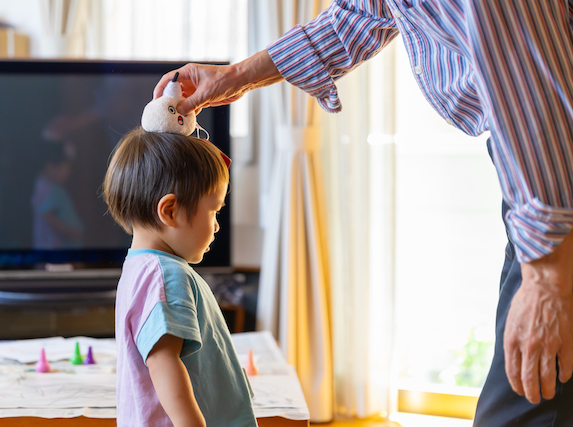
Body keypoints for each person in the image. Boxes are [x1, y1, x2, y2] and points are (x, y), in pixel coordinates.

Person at [154, 1, 573, 424]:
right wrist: (234, 77)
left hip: (554, 181)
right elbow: (357, 17)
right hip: (544, 184)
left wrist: (546, 279)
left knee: (530, 392)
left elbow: (539, 102)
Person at [103, 128, 257, 426]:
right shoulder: (165, 274)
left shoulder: (139, 267)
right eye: (213, 211)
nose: (216, 227)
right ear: (170, 211)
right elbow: (163, 362)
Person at [31, 142, 83, 249]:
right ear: (50, 167)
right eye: (67, 166)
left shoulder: (44, 185)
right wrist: (71, 233)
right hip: (57, 253)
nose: (69, 171)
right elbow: (47, 215)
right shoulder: (50, 189)